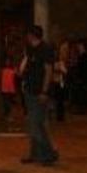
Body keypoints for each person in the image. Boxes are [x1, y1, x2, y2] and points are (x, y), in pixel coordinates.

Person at [18, 25, 58, 165]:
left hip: (39, 92)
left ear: (32, 35)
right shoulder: (30, 49)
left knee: (35, 124)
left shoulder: (45, 50)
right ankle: (35, 154)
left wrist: (44, 91)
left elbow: (48, 71)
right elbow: (27, 64)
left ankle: (49, 153)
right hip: (29, 89)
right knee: (34, 124)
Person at [0, 55, 18, 128]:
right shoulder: (2, 70)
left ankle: (9, 115)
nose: (7, 62)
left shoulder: (13, 70)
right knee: (6, 103)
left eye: (9, 61)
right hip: (4, 89)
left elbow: (17, 76)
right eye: (6, 61)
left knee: (9, 103)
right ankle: (7, 115)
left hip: (11, 89)